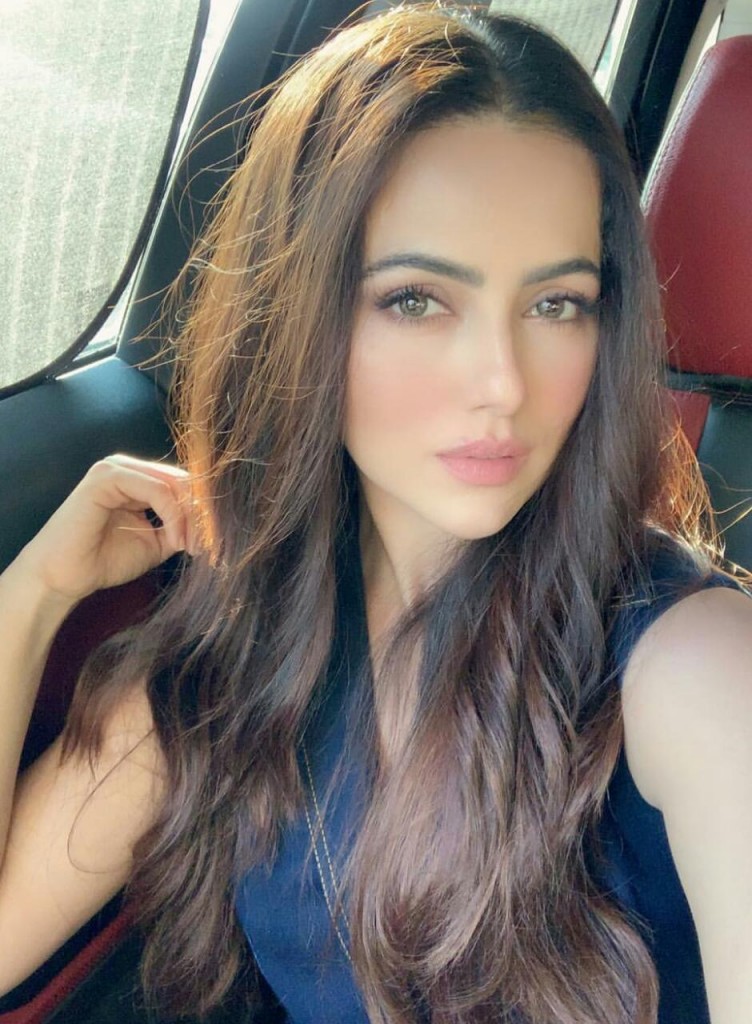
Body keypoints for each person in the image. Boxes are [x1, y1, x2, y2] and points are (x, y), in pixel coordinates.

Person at [0, 5, 750, 1023]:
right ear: (300, 314)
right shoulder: (231, 654)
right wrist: (33, 594)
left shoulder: (697, 671)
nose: (503, 382)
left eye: (554, 304)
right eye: (416, 299)